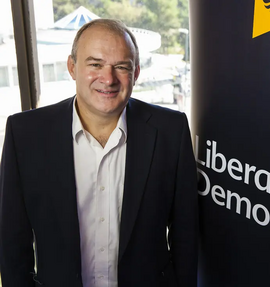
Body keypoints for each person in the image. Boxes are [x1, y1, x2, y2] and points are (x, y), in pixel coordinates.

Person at [0, 19, 198, 287]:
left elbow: (185, 233)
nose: (108, 78)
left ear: (136, 72)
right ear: (72, 67)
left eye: (121, 67)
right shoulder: (24, 134)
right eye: (95, 64)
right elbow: (12, 242)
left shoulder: (171, 131)